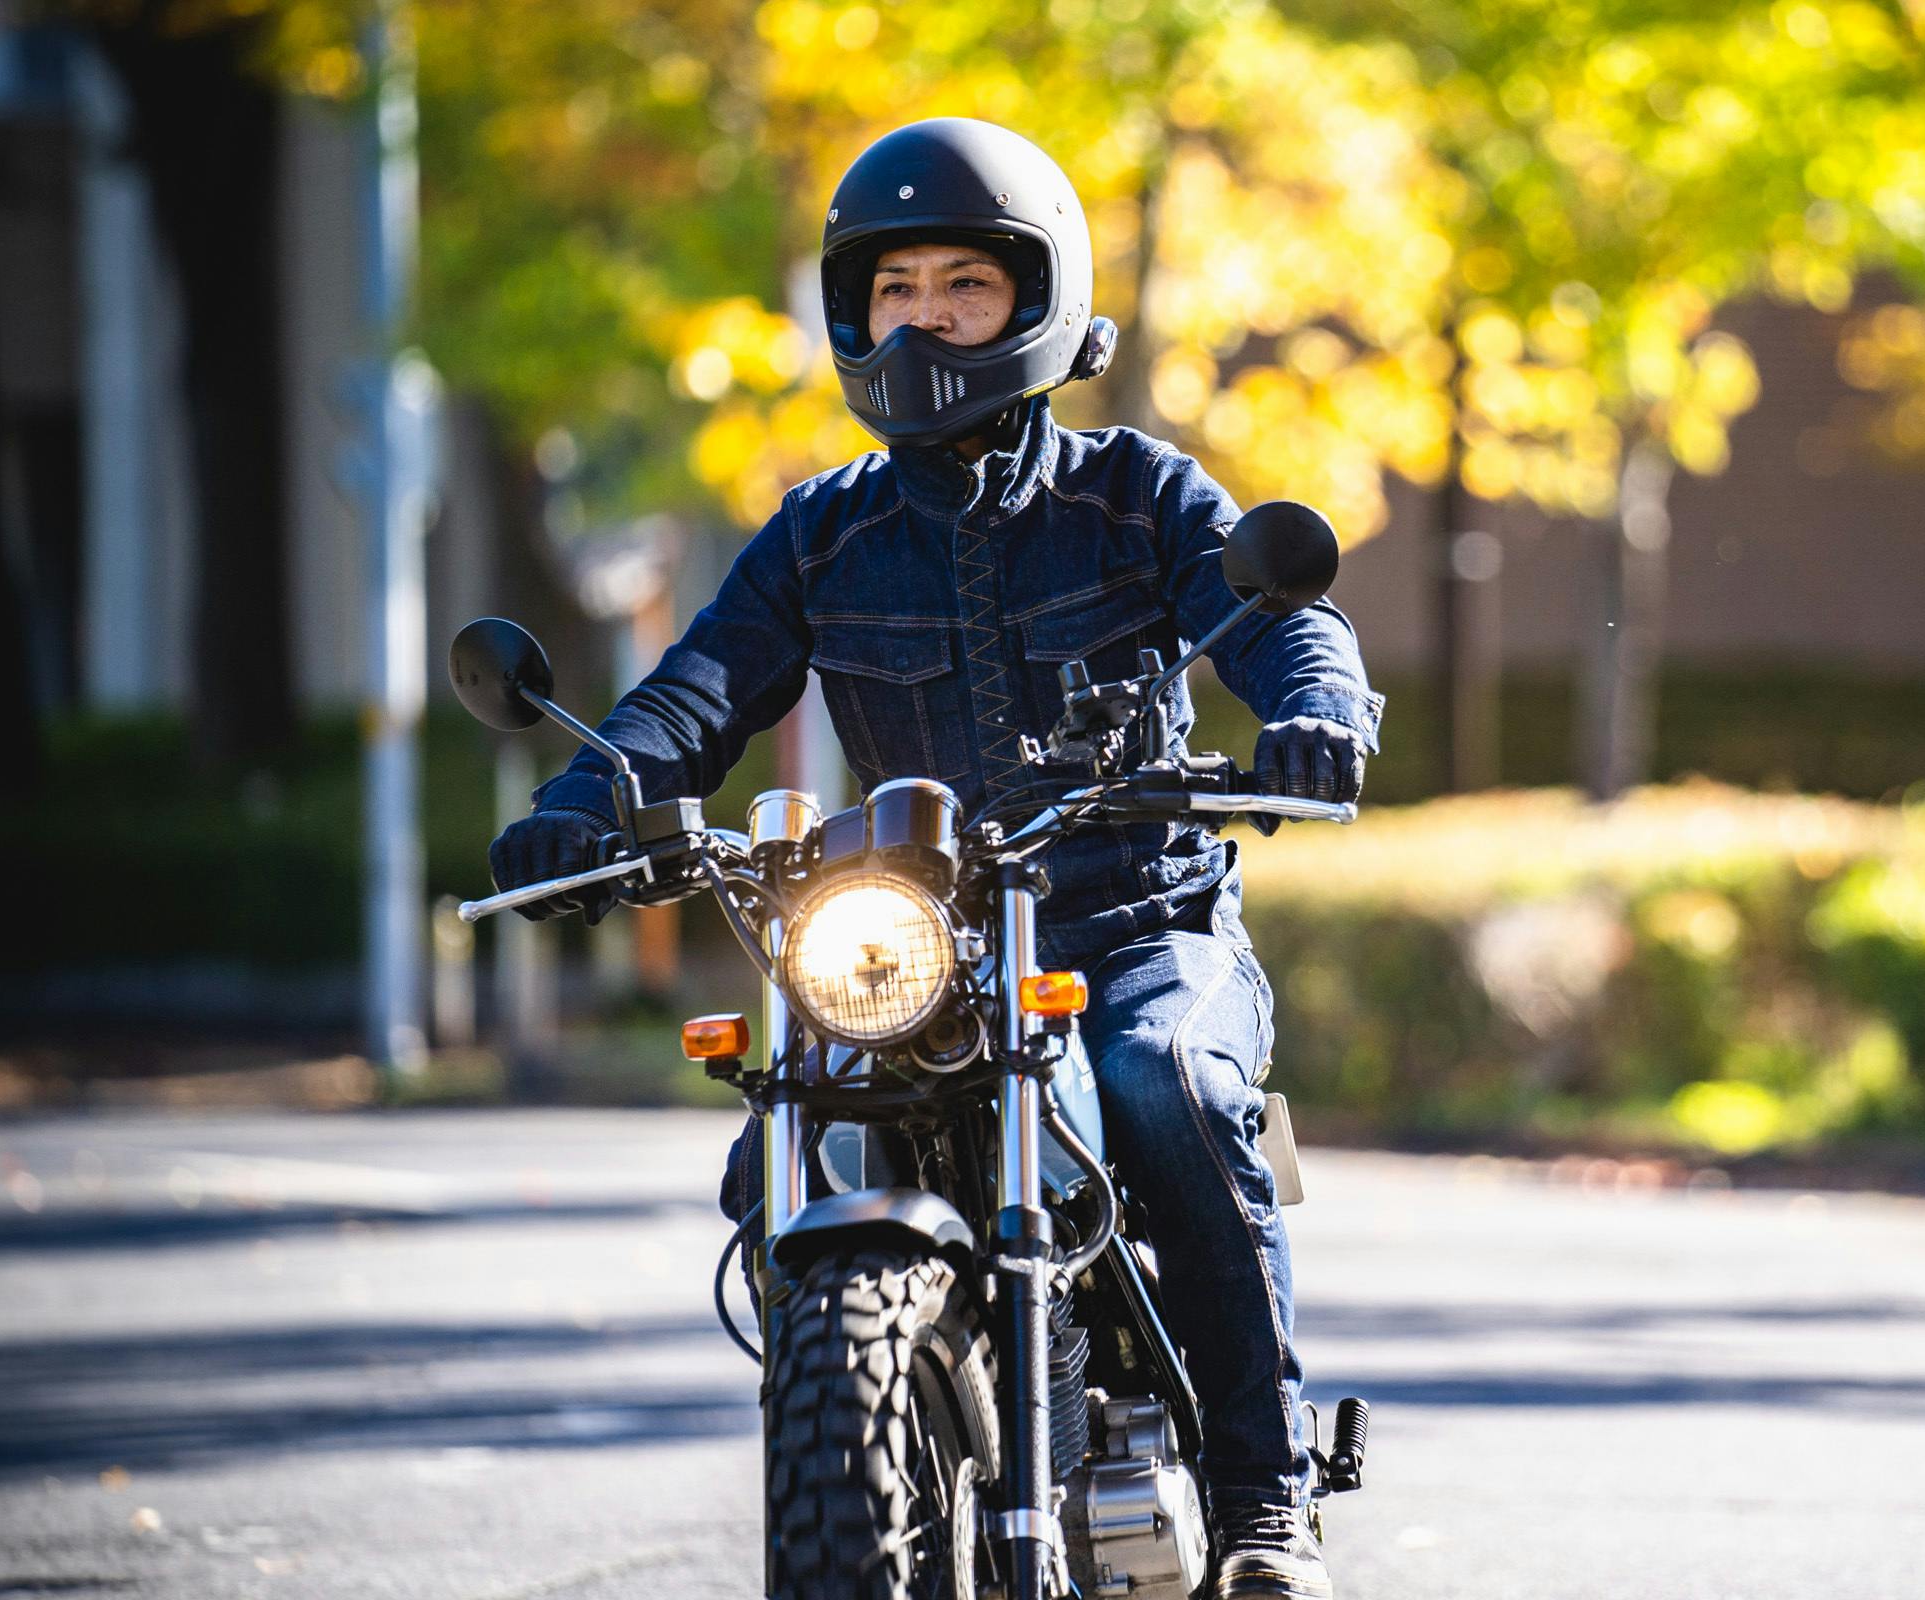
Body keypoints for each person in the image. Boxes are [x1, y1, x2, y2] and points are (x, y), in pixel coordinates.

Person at [489, 117, 1379, 1599]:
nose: (926, 319)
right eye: (894, 288)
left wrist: (1313, 711)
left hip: (1137, 925)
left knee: (1165, 1083)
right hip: (926, 939)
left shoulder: (1137, 495)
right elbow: (695, 696)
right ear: (854, 312)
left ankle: (1261, 1500)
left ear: (1036, 301)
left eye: (965, 284)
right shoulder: (823, 538)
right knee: (794, 1108)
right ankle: (868, 1424)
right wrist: (594, 793)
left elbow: (1277, 619)